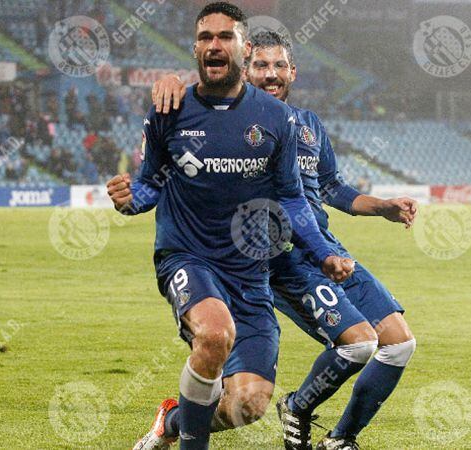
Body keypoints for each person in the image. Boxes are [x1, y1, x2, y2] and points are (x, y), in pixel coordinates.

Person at [151, 31, 418, 449]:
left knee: (399, 344)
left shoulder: (308, 125)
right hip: (284, 259)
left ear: (293, 72)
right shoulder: (229, 125)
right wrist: (173, 84)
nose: (271, 74)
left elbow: (332, 187)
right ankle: (294, 408)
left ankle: (340, 439)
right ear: (244, 70)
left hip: (328, 251)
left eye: (279, 66)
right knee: (358, 345)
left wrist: (382, 206)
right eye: (260, 65)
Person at [107, 3, 354, 449]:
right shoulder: (169, 109)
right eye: (205, 37)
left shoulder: (277, 119)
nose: (214, 45)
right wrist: (128, 201)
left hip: (249, 276)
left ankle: (172, 422)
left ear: (245, 48)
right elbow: (149, 185)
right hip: (188, 256)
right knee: (215, 334)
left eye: (225, 37)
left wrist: (324, 253)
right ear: (195, 48)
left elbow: (292, 198)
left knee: (248, 405)